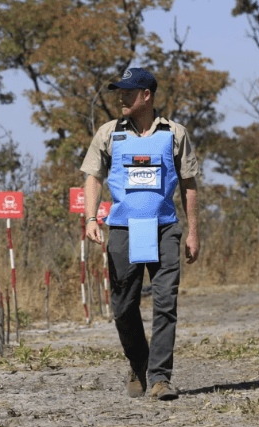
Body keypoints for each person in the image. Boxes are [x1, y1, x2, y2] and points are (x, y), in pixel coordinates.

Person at [80, 67, 200, 400]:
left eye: (128, 92)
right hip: (122, 230)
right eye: (119, 91)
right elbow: (93, 177)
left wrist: (193, 233)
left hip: (164, 229)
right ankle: (138, 362)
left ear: (146, 96)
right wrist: (91, 218)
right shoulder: (109, 133)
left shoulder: (174, 133)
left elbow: (189, 185)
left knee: (165, 303)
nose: (121, 97)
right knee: (123, 307)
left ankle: (160, 378)